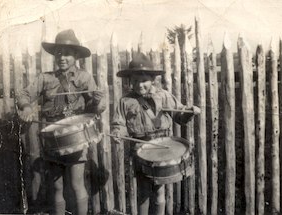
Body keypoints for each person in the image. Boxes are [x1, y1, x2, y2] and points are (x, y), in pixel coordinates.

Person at [16, 29, 106, 215]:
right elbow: (23, 94)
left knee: (76, 183)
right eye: (58, 53)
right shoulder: (45, 78)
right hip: (52, 139)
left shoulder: (85, 78)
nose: (62, 57)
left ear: (76, 56)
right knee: (57, 187)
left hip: (77, 137)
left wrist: (97, 101)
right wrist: (25, 107)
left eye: (67, 53)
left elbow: (96, 107)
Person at [111, 53, 200, 215]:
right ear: (130, 80)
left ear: (153, 79)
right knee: (143, 191)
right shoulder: (125, 101)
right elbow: (120, 123)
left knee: (159, 190)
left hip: (163, 148)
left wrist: (190, 111)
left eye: (143, 81)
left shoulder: (164, 96)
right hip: (140, 149)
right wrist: (118, 132)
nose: (139, 85)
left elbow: (180, 115)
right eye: (135, 80)